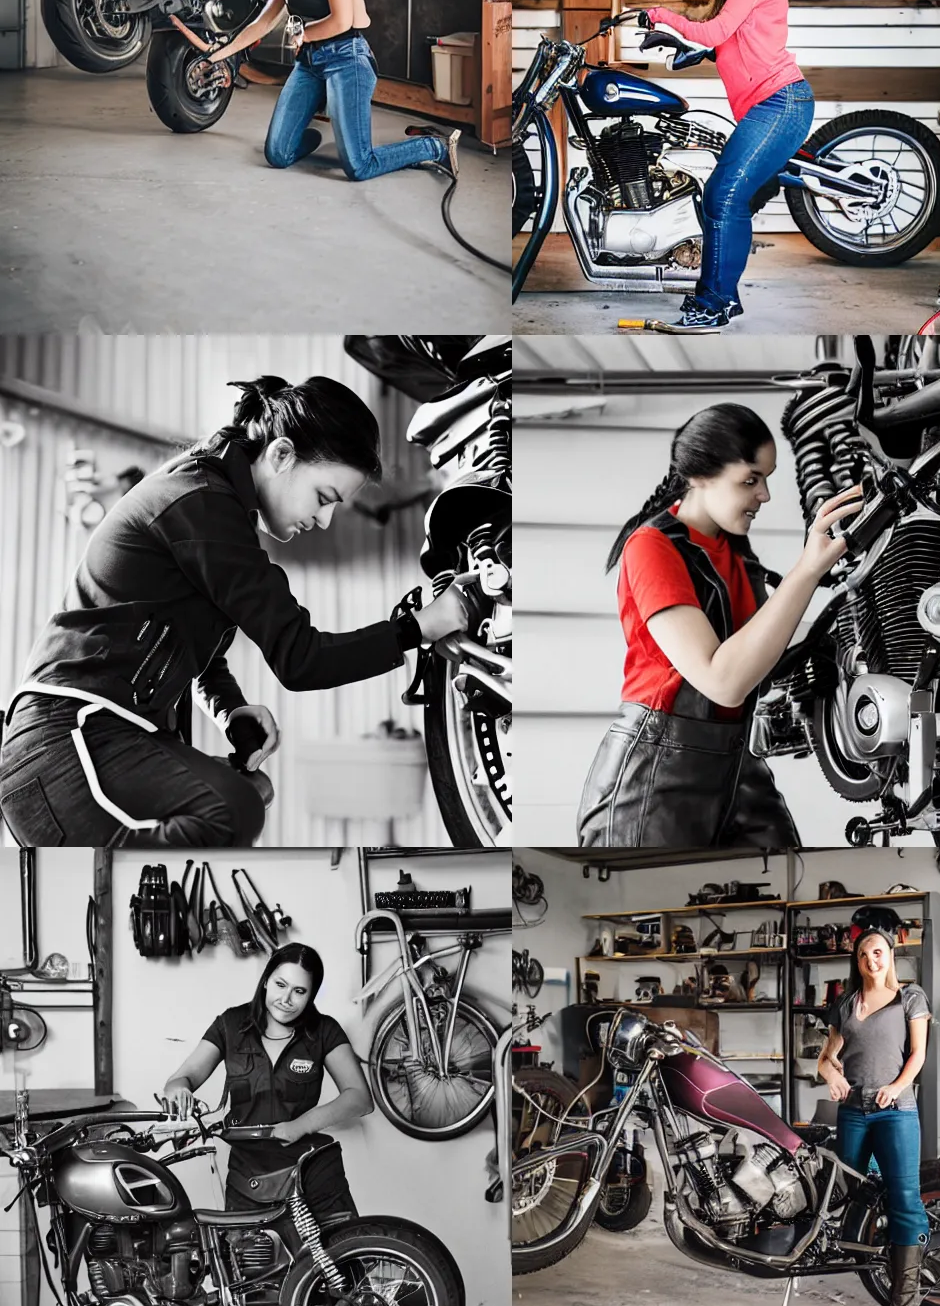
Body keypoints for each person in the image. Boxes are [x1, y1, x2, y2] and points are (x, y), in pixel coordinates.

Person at [0, 375, 474, 846]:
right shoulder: (202, 502)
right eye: (324, 498)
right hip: (66, 740)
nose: (325, 520)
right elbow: (302, 659)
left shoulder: (214, 499)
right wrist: (419, 627)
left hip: (106, 737)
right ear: (282, 454)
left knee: (252, 791)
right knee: (230, 808)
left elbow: (193, 644)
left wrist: (230, 710)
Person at [576, 403, 862, 847]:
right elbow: (722, 679)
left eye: (766, 478)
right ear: (699, 477)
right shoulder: (650, 548)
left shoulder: (735, 550)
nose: (764, 495)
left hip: (736, 766)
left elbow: (760, 652)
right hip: (657, 775)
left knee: (788, 877)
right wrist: (805, 570)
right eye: (750, 479)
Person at [193, 0, 458, 183]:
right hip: (309, 64)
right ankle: (308, 135)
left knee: (359, 167)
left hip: (347, 60)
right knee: (277, 154)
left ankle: (434, 146)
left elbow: (342, 21)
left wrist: (303, 33)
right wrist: (217, 53)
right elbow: (264, 21)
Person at [644, 0, 815, 328]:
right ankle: (713, 295)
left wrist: (661, 15)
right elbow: (729, 41)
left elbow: (717, 30)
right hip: (768, 104)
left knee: (724, 196)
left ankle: (717, 303)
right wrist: (692, 48)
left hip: (780, 101)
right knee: (721, 195)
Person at [163, 943, 372, 1223]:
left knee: (338, 1261)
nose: (286, 998)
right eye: (280, 984)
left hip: (312, 1174)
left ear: (311, 996)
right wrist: (178, 1090)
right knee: (248, 1264)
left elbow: (359, 1097)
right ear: (265, 981)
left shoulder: (325, 1031)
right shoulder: (231, 1025)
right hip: (248, 1179)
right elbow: (182, 1077)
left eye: (299, 991)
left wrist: (300, 1126)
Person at [816, 910, 932, 1306]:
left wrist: (896, 1088)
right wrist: (831, 1074)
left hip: (895, 1110)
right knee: (847, 1191)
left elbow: (918, 1055)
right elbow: (826, 1059)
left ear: (890, 954)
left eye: (877, 951)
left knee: (905, 1201)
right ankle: (877, 1251)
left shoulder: (910, 998)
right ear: (857, 959)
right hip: (853, 1112)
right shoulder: (846, 1006)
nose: (871, 959)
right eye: (863, 953)